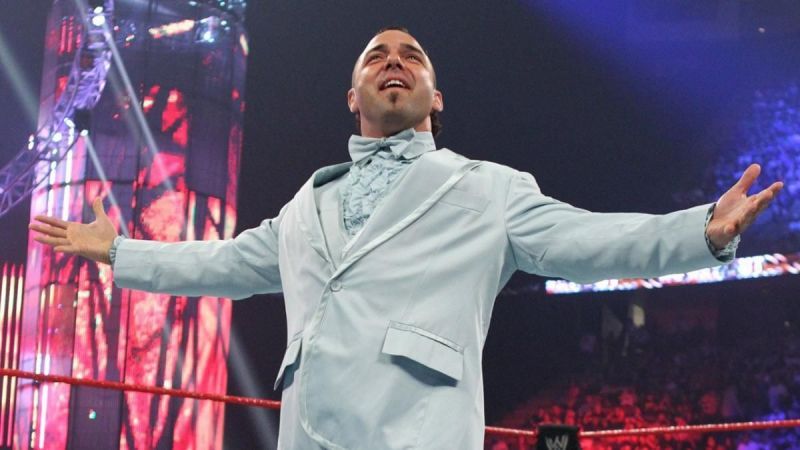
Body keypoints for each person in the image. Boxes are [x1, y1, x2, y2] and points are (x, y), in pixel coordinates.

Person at [30, 27, 783, 450]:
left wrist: (699, 234)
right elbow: (221, 263)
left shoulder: (486, 187)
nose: (393, 61)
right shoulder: (304, 207)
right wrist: (118, 252)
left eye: (412, 56)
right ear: (351, 95)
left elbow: (586, 241)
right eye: (374, 57)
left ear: (436, 97)